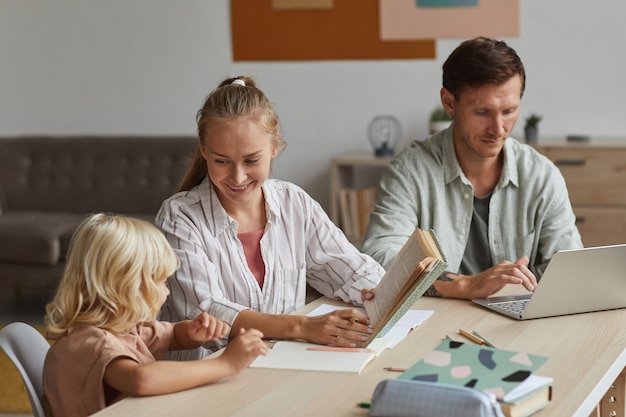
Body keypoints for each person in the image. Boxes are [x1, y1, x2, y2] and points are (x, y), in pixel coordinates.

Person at [156, 76, 384, 360]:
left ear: (274, 146)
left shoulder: (295, 203)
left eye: (251, 160)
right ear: (203, 151)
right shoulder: (179, 217)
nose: (237, 177)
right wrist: (302, 326)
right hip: (204, 380)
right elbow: (207, 311)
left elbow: (349, 270)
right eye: (221, 161)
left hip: (280, 370)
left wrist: (386, 296)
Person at [361, 36, 583, 300]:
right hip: (435, 318)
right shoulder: (409, 172)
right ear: (449, 103)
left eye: (509, 111)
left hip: (516, 321)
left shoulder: (542, 176)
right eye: (482, 112)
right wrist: (465, 285)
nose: (498, 129)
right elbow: (380, 258)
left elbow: (571, 269)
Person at [42, 213, 268, 417]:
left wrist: (191, 332)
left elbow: (172, 335)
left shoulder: (124, 328)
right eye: (162, 282)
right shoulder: (94, 343)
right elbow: (142, 379)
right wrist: (226, 364)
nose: (167, 291)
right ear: (128, 289)